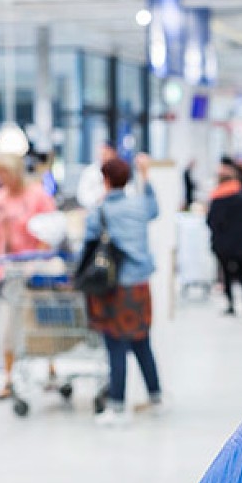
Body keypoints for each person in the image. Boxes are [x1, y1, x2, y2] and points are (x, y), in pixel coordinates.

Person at [84, 154, 163, 425]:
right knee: (142, 341)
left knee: (115, 345)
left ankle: (117, 407)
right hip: (141, 286)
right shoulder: (139, 205)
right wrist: (147, 176)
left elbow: (88, 241)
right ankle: (156, 397)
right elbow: (155, 209)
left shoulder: (101, 211)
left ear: (105, 180)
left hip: (116, 288)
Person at [0, 152, 57, 400]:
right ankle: (9, 378)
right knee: (7, 328)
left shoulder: (37, 195)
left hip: (37, 270)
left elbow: (50, 232)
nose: (0, 178)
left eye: (3, 173)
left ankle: (51, 370)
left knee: (43, 323)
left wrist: (36, 262)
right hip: (10, 272)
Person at [206, 159, 242, 316]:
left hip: (223, 243)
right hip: (241, 241)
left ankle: (231, 304)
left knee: (226, 273)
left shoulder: (217, 195)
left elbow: (211, 220)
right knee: (240, 272)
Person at [77, 142, 117, 209]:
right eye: (102, 154)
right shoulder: (90, 171)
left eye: (107, 153)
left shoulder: (119, 170)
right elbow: (82, 196)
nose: (103, 156)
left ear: (114, 154)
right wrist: (99, 197)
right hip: (95, 209)